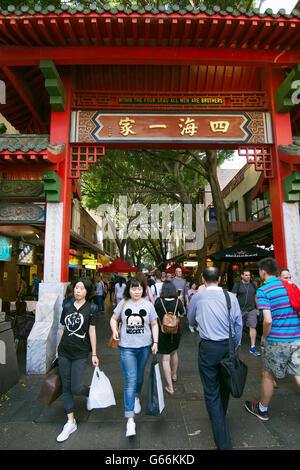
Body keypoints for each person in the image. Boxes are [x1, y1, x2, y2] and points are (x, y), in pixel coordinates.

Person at [188, 267, 242, 450]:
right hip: (227, 345)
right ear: (219, 279)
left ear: (203, 279)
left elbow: (191, 319)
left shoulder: (197, 297)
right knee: (225, 384)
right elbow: (237, 322)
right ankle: (220, 416)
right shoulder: (230, 297)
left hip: (208, 347)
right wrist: (236, 345)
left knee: (211, 391)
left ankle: (223, 442)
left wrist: (197, 324)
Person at [244, 257, 300, 422]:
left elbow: (267, 319)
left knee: (268, 374)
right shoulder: (290, 285)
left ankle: (262, 409)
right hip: (296, 337)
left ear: (262, 271)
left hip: (277, 339)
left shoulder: (264, 290)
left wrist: (265, 335)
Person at [110, 277, 159, 438]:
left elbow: (154, 324)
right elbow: (113, 318)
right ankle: (130, 419)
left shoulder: (148, 305)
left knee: (139, 376)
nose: (136, 292)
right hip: (126, 347)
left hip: (144, 346)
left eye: (139, 289)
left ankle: (137, 395)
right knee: (130, 380)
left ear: (143, 290)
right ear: (128, 289)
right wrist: (114, 330)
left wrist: (155, 341)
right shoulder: (123, 303)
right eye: (133, 288)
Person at [55, 278, 99, 442]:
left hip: (81, 352)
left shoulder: (92, 308)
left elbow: (92, 331)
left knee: (77, 387)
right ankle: (70, 421)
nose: (77, 291)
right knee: (66, 386)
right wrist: (57, 350)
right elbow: (62, 329)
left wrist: (94, 353)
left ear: (87, 291)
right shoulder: (67, 306)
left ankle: (89, 392)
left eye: (81, 288)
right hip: (65, 351)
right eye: (76, 288)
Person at [155, 280, 184, 395]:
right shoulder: (178, 301)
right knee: (174, 353)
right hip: (176, 331)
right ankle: (174, 374)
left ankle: (169, 387)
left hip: (163, 332)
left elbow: (155, 314)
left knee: (165, 359)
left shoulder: (158, 301)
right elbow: (182, 313)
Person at [232, 269, 260, 356]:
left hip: (251, 309)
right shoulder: (238, 285)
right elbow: (233, 298)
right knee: (237, 327)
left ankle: (253, 346)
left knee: (252, 326)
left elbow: (256, 297)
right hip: (240, 309)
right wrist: (233, 310)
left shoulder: (253, 285)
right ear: (242, 276)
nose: (248, 277)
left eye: (249, 275)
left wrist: (258, 308)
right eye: (246, 275)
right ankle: (236, 345)